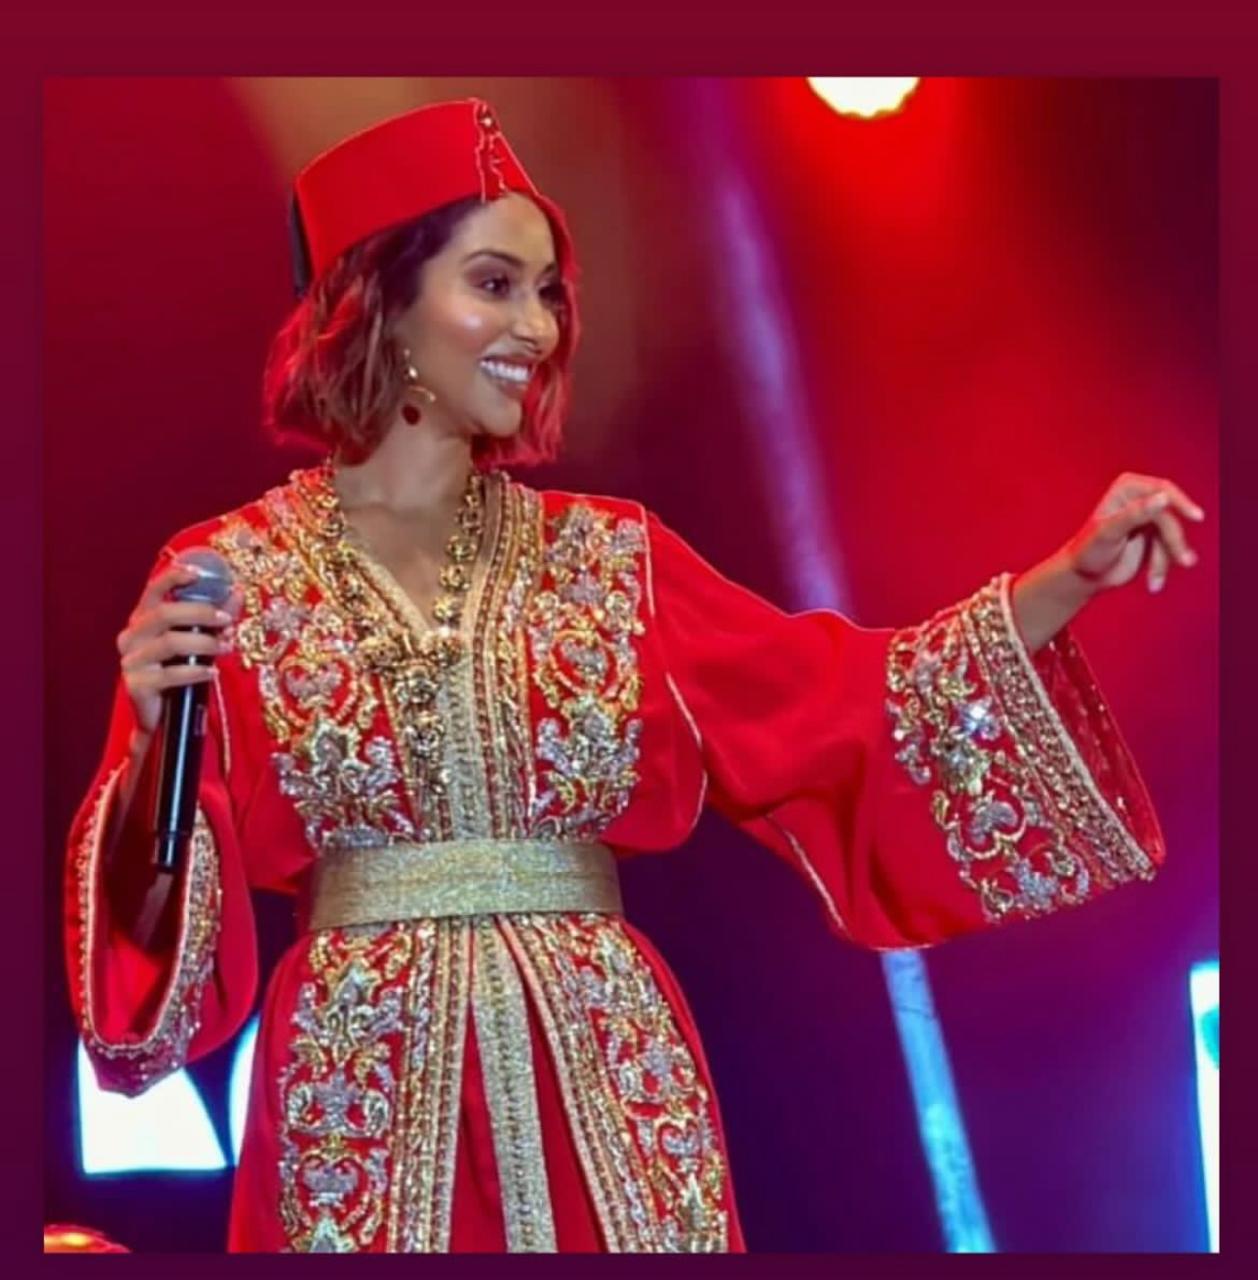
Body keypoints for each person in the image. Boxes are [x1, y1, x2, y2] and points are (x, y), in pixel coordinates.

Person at [62, 97, 1203, 1254]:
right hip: (358, 1092)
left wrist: (1061, 579)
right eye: (495, 284)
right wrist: (154, 743)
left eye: (547, 292)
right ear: (384, 301)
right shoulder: (231, 574)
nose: (539, 326)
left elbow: (843, 704)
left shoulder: (610, 561)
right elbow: (148, 956)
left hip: (607, 1079)